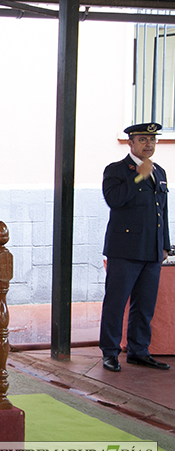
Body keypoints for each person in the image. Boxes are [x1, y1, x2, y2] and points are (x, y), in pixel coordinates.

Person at [99, 122, 171, 372]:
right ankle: (110, 352)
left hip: (152, 250)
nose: (148, 144)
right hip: (125, 249)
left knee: (145, 304)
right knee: (116, 303)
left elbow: (162, 211)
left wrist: (165, 246)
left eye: (152, 140)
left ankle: (139, 350)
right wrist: (139, 175)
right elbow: (114, 200)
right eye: (143, 140)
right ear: (130, 143)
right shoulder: (117, 170)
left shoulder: (159, 171)